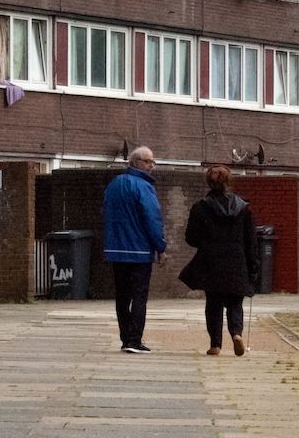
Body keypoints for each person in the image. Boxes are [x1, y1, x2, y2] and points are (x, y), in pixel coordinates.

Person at [180, 166, 258, 357]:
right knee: (235, 302)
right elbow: (251, 241)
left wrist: (207, 242)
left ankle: (215, 345)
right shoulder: (244, 208)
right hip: (237, 260)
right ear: (229, 181)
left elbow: (191, 238)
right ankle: (237, 334)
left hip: (212, 261)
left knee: (213, 303)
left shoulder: (200, 207)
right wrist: (253, 267)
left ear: (209, 182)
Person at [103, 146, 167, 354]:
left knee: (122, 296)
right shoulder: (144, 187)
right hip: (139, 251)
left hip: (116, 249)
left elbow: (105, 212)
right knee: (139, 295)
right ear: (136, 162)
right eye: (148, 161)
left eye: (152, 162)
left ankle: (125, 338)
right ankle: (134, 339)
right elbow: (152, 219)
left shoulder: (113, 185)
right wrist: (160, 247)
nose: (151, 166)